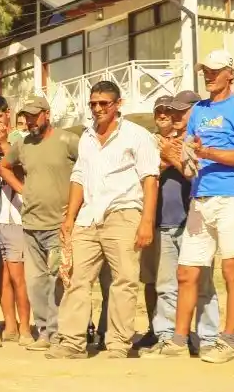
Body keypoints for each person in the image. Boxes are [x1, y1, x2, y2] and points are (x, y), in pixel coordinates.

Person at [144, 50, 234, 363]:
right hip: (199, 198)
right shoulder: (197, 111)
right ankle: (178, 341)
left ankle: (227, 341)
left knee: (232, 270)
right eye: (205, 71)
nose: (208, 76)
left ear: (230, 74)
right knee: (186, 273)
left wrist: (208, 152)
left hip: (232, 197)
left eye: (214, 71)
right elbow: (191, 164)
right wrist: (175, 158)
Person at [49, 82, 158, 359]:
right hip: (88, 215)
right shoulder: (86, 137)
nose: (98, 109)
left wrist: (146, 221)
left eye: (104, 104)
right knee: (75, 278)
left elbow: (150, 179)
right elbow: (79, 177)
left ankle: (119, 343)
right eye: (93, 104)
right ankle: (72, 343)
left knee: (124, 280)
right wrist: (70, 218)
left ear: (118, 104)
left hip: (124, 213)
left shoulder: (138, 135)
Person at [0, 95, 79, 351]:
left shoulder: (67, 140)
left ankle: (60, 332)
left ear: (47, 113)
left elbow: (87, 169)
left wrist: (75, 211)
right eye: (27, 116)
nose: (31, 121)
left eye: (35, 115)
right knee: (36, 282)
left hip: (60, 223)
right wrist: (23, 190)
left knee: (58, 280)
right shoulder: (22, 145)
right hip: (31, 223)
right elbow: (3, 166)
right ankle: (44, 331)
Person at [141, 92, 221, 353]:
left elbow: (200, 178)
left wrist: (172, 158)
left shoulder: (202, 141)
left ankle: (207, 339)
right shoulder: (162, 142)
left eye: (180, 112)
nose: (173, 117)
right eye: (171, 111)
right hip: (167, 221)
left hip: (196, 222)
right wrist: (166, 158)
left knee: (202, 284)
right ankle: (168, 337)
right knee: (166, 285)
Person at [0, 98, 32, 344]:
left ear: (8, 114)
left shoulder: (19, 137)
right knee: (1, 274)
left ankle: (25, 326)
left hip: (16, 213)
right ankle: (10, 324)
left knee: (18, 275)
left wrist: (4, 144)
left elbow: (20, 165)